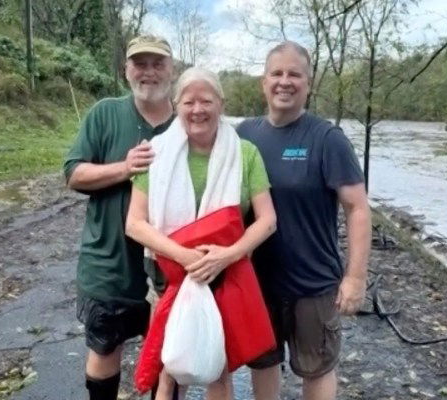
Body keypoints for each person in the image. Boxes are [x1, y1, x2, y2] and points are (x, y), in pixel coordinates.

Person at [126, 67, 277, 400]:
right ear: (176, 104)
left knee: (216, 368)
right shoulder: (156, 152)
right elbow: (134, 223)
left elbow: (267, 220)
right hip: (170, 276)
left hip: (222, 276)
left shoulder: (244, 153)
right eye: (188, 101)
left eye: (206, 100)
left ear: (221, 103)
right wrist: (184, 256)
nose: (198, 110)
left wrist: (226, 255)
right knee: (168, 369)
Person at [238, 41, 372, 400]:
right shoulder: (243, 135)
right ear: (263, 83)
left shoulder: (327, 139)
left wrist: (355, 277)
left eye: (294, 74)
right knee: (263, 362)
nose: (285, 81)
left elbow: (357, 208)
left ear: (308, 83)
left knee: (317, 368)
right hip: (258, 282)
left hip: (313, 285)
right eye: (277, 74)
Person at [63, 34, 175, 400]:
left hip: (171, 269)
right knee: (105, 350)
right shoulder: (104, 113)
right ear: (125, 70)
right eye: (140, 64)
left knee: (170, 359)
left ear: (171, 70)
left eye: (158, 64)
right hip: (108, 265)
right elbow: (74, 174)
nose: (149, 72)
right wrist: (124, 168)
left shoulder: (187, 122)